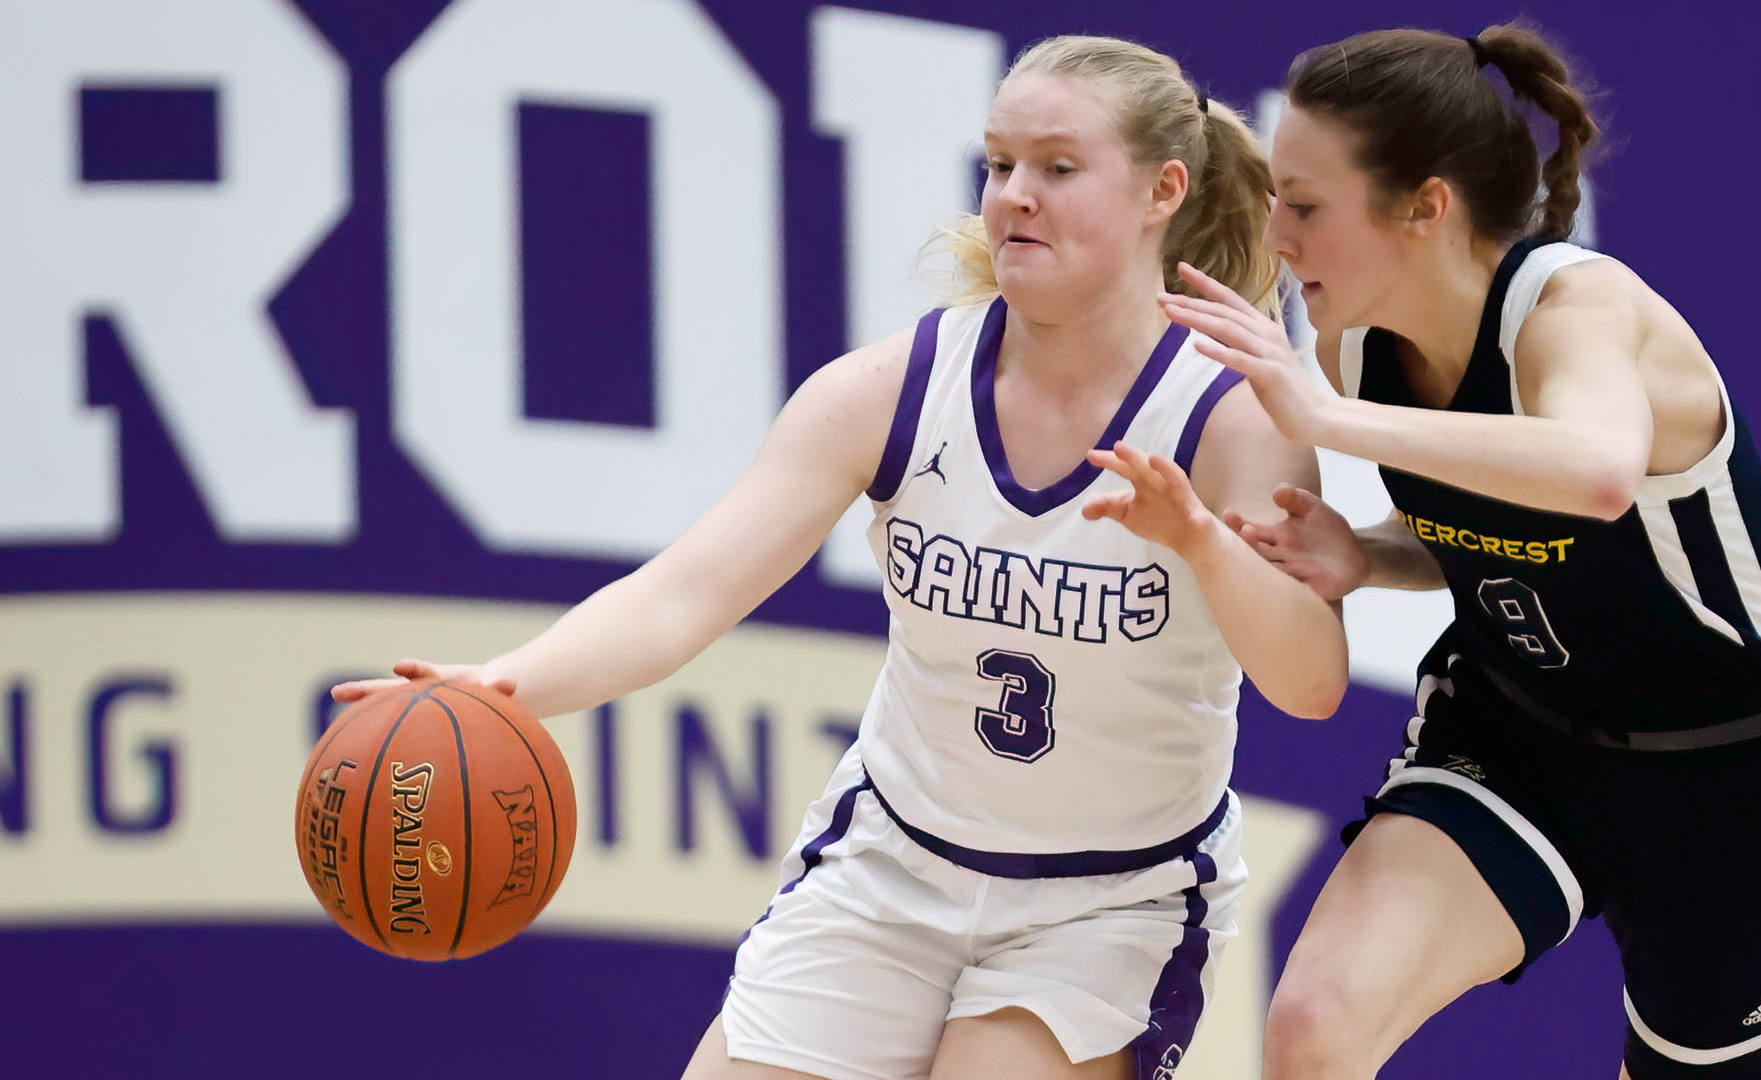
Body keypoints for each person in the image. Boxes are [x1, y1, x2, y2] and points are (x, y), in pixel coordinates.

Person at [334, 35, 1347, 1080]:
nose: (1015, 197)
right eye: (998, 165)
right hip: (895, 865)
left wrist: (1195, 542)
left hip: (1110, 899)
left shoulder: (1230, 419)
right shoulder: (890, 390)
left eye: (1056, 167)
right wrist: (500, 688)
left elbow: (1310, 681)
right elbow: (683, 595)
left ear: (1161, 190)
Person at [1160, 22, 1761, 1080]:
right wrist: (1370, 554)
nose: (1277, 238)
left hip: (1727, 769)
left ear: (1427, 206)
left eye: (1305, 206)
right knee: (1314, 1029)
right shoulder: (1360, 347)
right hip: (1518, 727)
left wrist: (1328, 424)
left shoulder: (1580, 310)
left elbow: (1590, 474)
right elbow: (1484, 523)